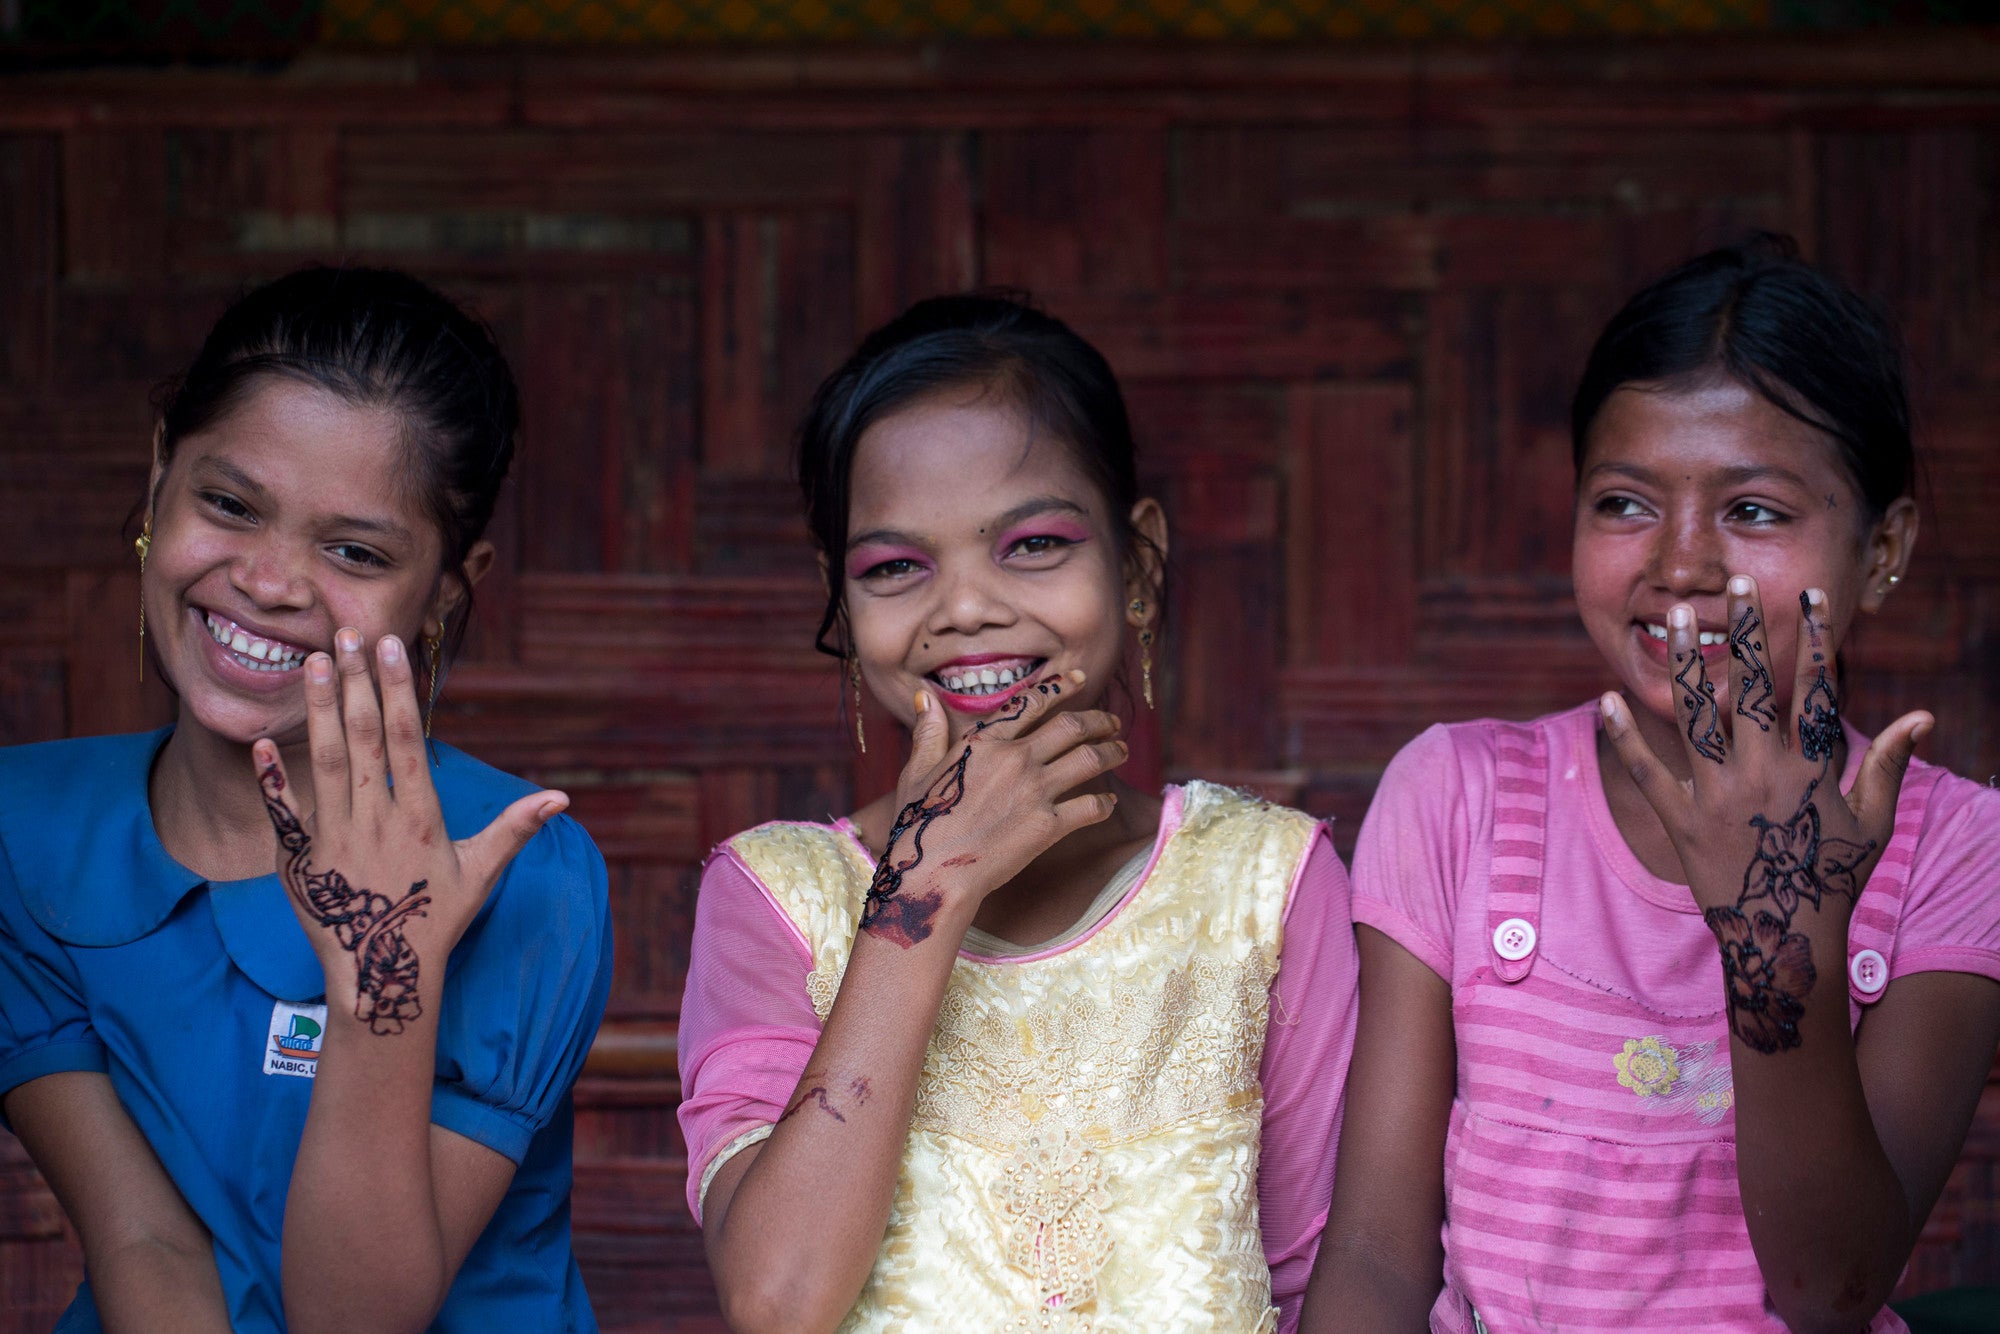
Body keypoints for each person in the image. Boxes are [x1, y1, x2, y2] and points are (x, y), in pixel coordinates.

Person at [1302, 236, 2000, 1334]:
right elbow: (1376, 1255)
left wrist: (1774, 937)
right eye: (1623, 503)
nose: (1679, 564)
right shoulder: (1456, 795)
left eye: (1754, 511)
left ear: (1881, 549)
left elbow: (1828, 1288)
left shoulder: (1957, 847)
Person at [676, 293, 1359, 1332]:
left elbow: (1321, 1279)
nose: (963, 608)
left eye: (1030, 545)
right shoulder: (772, 895)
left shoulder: (1264, 881)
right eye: (895, 566)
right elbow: (778, 1295)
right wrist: (922, 890)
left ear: (1132, 564)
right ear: (840, 600)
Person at [0, 267, 615, 1333]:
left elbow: (356, 1317)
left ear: (446, 588)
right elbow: (148, 1246)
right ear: (158, 475)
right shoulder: (25, 832)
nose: (272, 579)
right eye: (229, 504)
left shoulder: (524, 868)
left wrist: (385, 966)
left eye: (353, 550)